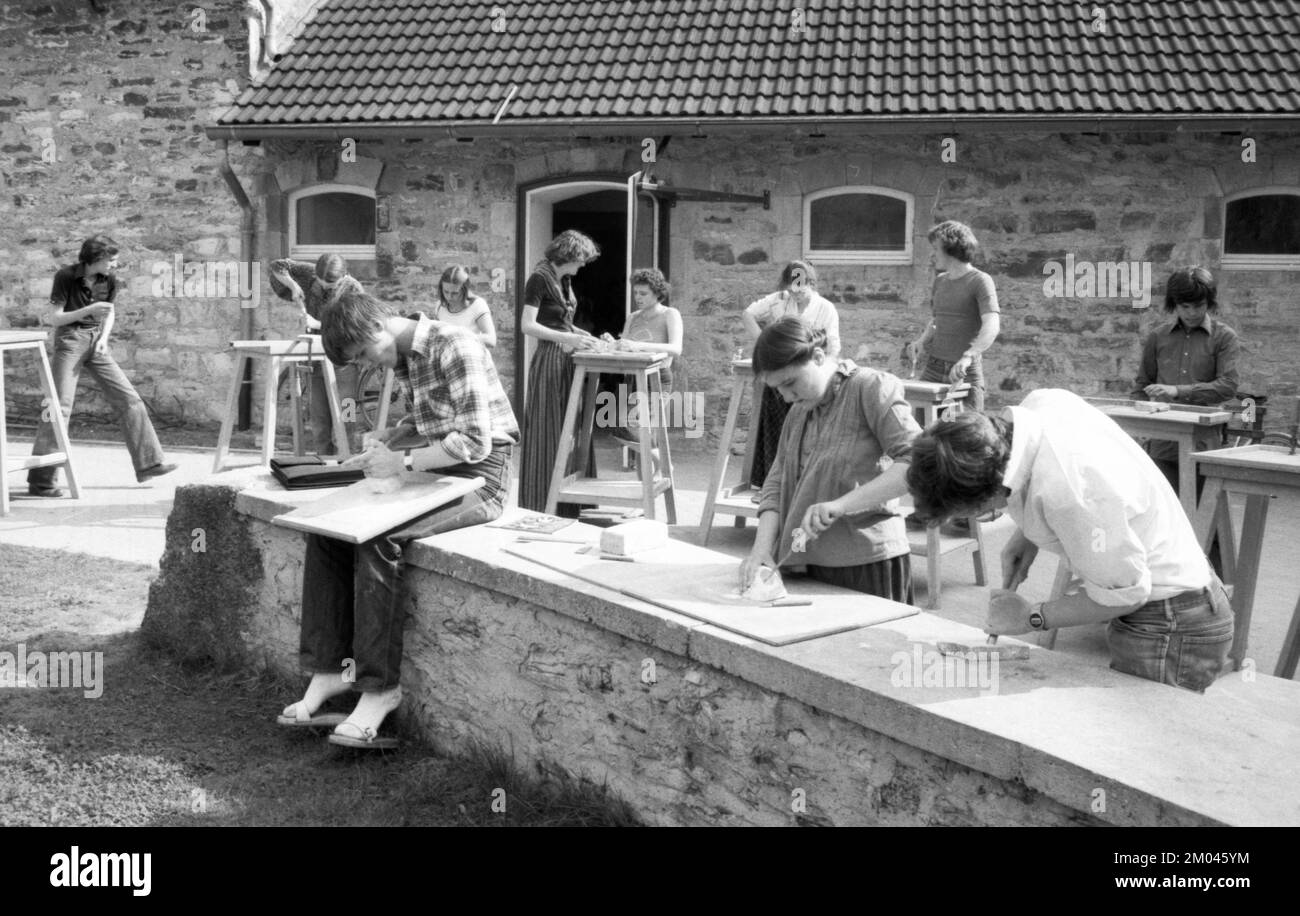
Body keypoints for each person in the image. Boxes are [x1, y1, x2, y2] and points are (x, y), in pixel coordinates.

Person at [278, 289, 520, 747]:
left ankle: (380, 690)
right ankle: (331, 672)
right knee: (329, 533)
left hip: (484, 479)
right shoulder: (408, 355)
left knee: (378, 540)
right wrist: (397, 433)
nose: (375, 363)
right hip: (444, 469)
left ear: (379, 326)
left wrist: (401, 465)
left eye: (368, 352)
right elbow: (432, 420)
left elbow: (474, 442)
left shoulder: (457, 346)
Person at [905, 389, 1233, 693]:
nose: (978, 518)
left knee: (1138, 743)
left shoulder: (1074, 494)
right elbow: (1036, 470)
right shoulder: (1038, 406)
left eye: (975, 512)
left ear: (992, 489)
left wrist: (1030, 617)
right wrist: (1028, 534)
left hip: (1171, 624)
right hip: (1171, 599)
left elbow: (1125, 596)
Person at [739, 316, 919, 603]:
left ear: (819, 356)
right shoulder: (799, 411)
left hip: (866, 563)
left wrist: (841, 505)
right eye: (778, 390)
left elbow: (917, 463)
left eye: (790, 383)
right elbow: (774, 485)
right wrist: (760, 550)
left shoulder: (871, 388)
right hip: (801, 561)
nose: (785, 397)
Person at [27, 235, 176, 497]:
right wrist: (89, 309)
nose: (115, 265)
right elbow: (56, 318)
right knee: (57, 407)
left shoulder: (110, 280)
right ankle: (41, 482)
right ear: (96, 259)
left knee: (130, 400)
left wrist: (104, 339)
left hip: (97, 342)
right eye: (112, 260)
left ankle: (150, 463)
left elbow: (110, 311)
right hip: (70, 341)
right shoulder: (65, 277)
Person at [1130, 266, 1240, 493]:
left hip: (1204, 446)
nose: (1191, 313)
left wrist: (1177, 391)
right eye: (1184, 306)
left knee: (1206, 520)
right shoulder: (1157, 337)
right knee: (1162, 520)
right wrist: (1139, 430)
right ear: (1175, 304)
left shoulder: (1224, 337)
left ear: (1208, 303)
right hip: (1162, 445)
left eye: (1198, 306)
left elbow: (1228, 386)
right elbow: (1141, 386)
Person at [518, 229, 600, 514]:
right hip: (550, 361)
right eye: (582, 260)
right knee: (549, 427)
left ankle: (570, 500)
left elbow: (561, 323)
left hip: (566, 358)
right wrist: (569, 339)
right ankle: (542, 500)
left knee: (571, 426)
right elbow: (528, 325)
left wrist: (586, 337)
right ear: (571, 255)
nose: (582, 266)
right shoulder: (539, 279)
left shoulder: (563, 280)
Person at [741, 261, 841, 491]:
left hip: (805, 378)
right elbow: (748, 313)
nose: (795, 294)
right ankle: (771, 484)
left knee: (806, 431)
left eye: (801, 288)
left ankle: (802, 484)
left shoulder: (825, 308)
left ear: (811, 284)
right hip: (780, 376)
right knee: (776, 430)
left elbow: (834, 348)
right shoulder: (778, 300)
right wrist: (763, 343)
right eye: (791, 288)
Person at [268, 253, 362, 456]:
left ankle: (347, 460)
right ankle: (323, 463)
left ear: (344, 275)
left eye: (331, 285)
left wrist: (317, 324)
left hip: (346, 362)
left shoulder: (354, 289)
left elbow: (352, 327)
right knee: (319, 420)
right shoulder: (310, 273)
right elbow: (277, 265)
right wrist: (293, 287)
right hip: (318, 358)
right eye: (322, 284)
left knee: (346, 416)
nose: (326, 288)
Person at [903, 220, 1000, 414]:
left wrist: (968, 357)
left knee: (963, 436)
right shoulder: (940, 281)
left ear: (951, 249)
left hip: (963, 373)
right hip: (933, 369)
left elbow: (992, 324)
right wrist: (920, 343)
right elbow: (937, 321)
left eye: (936, 249)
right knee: (923, 432)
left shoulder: (980, 281)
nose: (932, 254)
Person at [431, 264, 497, 348]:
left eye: (455, 293)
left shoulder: (478, 305)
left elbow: (491, 340)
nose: (449, 297)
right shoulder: (440, 306)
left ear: (465, 291)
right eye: (446, 291)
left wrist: (457, 338)